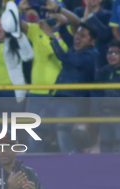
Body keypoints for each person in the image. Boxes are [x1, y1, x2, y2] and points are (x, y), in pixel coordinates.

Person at [39, 17, 97, 153]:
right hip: (56, 98)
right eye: (77, 34)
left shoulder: (90, 55)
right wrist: (63, 24)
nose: (77, 37)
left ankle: (72, 164)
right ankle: (34, 162)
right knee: (37, 129)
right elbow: (65, 34)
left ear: (92, 41)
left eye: (83, 36)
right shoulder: (76, 48)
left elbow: (64, 57)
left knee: (63, 132)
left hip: (72, 101)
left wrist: (51, 37)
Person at [17, 0, 67, 153]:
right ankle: (35, 168)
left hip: (58, 93)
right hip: (36, 91)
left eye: (54, 12)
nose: (50, 15)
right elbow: (16, 26)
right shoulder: (36, 29)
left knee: (61, 133)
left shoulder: (68, 33)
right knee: (33, 135)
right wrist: (18, 11)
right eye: (47, 12)